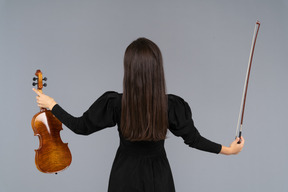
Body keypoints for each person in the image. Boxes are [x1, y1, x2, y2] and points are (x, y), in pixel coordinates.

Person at [33, 37, 244, 192]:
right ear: (157, 70)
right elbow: (193, 139)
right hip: (158, 178)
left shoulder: (116, 103)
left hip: (123, 176)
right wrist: (229, 150)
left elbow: (81, 127)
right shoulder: (169, 105)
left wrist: (53, 105)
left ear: (129, 69)